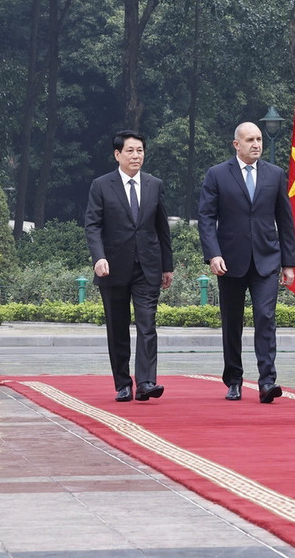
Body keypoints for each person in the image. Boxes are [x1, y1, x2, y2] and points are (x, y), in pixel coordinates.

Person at [198, 122, 295, 403]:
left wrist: (288, 262)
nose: (256, 144)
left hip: (267, 259)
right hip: (230, 260)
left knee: (266, 318)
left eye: (259, 139)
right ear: (236, 144)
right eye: (250, 140)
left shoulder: (275, 174)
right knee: (232, 322)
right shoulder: (217, 174)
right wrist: (213, 254)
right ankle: (234, 379)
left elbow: (286, 220)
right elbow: (206, 218)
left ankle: (267, 381)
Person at [85, 130, 174, 402]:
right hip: (112, 267)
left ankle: (146, 382)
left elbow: (162, 227)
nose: (136, 156)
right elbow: (93, 225)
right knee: (118, 327)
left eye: (140, 151)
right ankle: (123, 383)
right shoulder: (101, 185)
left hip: (147, 267)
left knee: (147, 324)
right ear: (117, 154)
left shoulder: (154, 184)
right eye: (131, 151)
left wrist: (166, 266)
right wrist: (99, 257)